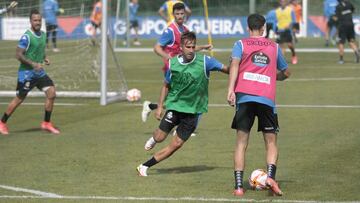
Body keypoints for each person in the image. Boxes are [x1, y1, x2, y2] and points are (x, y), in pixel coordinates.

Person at [136, 31, 229, 177]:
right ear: (181, 47)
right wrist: (160, 106)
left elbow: (228, 70)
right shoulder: (173, 64)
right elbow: (166, 85)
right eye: (188, 47)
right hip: (175, 107)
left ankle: (144, 166)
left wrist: (238, 65)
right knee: (160, 137)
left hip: (193, 112)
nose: (191, 50)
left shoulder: (206, 61)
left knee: (176, 145)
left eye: (193, 47)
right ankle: (154, 139)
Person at [227, 13, 291, 196]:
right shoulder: (274, 46)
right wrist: (274, 77)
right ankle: (270, 176)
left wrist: (231, 90)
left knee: (241, 143)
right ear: (264, 28)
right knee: (271, 142)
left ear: (248, 28)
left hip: (245, 98)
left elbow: (234, 66)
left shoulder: (240, 44)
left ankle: (239, 187)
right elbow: (286, 72)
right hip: (266, 99)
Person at [142, 2, 212, 123]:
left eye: (182, 13)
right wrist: (167, 56)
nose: (180, 16)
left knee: (177, 98)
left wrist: (203, 47)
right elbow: (157, 47)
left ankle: (151, 107)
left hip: (182, 67)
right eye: (177, 14)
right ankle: (182, 124)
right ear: (173, 14)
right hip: (172, 68)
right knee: (181, 97)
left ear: (185, 14)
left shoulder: (185, 30)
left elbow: (189, 47)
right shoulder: (170, 31)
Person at [0, 9, 60, 135]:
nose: (37, 22)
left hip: (39, 72)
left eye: (39, 20)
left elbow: (39, 50)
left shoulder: (43, 34)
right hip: (26, 73)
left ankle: (46, 123)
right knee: (19, 99)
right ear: (30, 21)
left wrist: (44, 58)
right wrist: (33, 64)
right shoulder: (26, 36)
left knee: (51, 93)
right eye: (35, 20)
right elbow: (18, 55)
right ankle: (2, 122)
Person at [274, 0, 298, 64]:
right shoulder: (277, 11)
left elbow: (294, 20)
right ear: (279, 2)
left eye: (284, 1)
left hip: (288, 30)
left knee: (290, 45)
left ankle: (294, 55)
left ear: (286, 2)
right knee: (281, 46)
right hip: (280, 30)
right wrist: (275, 30)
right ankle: (281, 61)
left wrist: (290, 25)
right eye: (281, 1)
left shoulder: (290, 10)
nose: (283, 3)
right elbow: (275, 21)